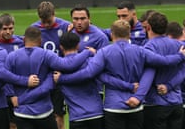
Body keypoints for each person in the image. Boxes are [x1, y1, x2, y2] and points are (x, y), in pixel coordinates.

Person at [56, 20, 185, 129]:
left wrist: (63, 78)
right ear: (129, 34)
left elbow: (89, 73)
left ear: (112, 35)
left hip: (114, 107)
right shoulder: (141, 51)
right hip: (136, 107)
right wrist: (179, 56)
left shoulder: (104, 53)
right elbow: (163, 61)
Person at [4, 26, 95, 129]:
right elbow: (69, 65)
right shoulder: (47, 55)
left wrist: (12, 96)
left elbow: (5, 77)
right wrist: (88, 52)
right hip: (44, 111)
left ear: (24, 39)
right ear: (40, 40)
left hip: (22, 112)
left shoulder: (11, 56)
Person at [31, 1, 71, 129]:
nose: (46, 25)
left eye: (49, 21)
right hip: (41, 79)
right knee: (40, 114)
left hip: (59, 78)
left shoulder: (65, 27)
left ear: (54, 14)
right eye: (44, 22)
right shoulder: (34, 29)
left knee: (58, 114)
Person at [142, 12, 185, 129]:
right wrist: (169, 86)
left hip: (155, 103)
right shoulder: (179, 46)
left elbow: (153, 67)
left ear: (148, 27)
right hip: (177, 103)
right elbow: (182, 72)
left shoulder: (148, 47)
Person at [54, 32, 104, 129]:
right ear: (78, 45)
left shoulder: (58, 68)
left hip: (77, 117)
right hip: (96, 113)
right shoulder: (90, 62)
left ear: (61, 47)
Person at [70, 3, 109, 98]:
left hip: (94, 88)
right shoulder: (69, 34)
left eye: (82, 18)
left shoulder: (100, 37)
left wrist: (95, 54)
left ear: (89, 18)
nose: (79, 22)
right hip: (72, 87)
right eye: (76, 19)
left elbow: (106, 64)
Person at [0, 13, 24, 129]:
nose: (8, 32)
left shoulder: (21, 43)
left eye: (10, 28)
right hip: (0, 91)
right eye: (4, 29)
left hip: (18, 90)